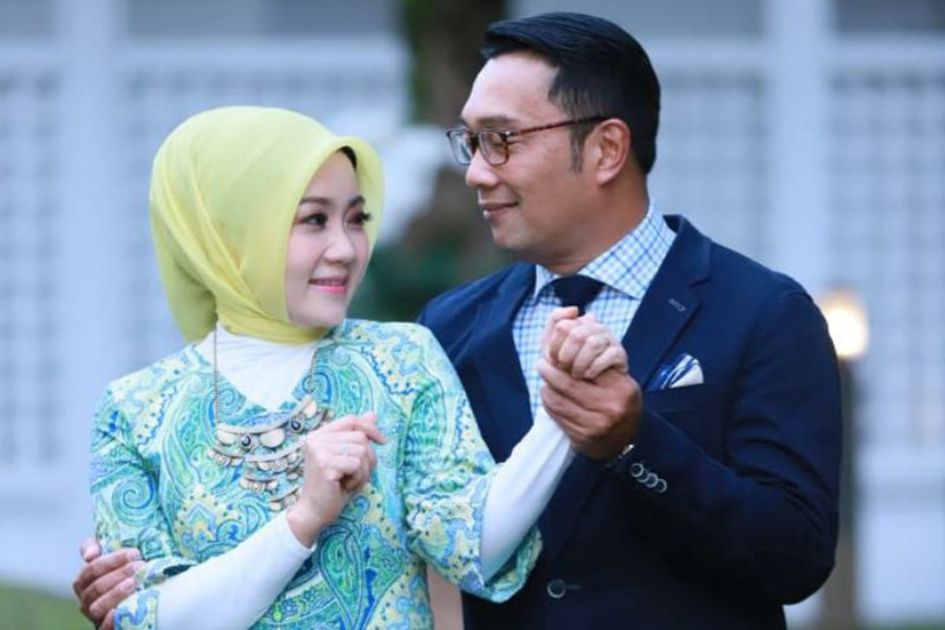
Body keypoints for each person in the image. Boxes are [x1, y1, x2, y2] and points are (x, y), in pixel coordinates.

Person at [77, 105, 627, 629]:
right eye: (313, 220)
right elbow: (149, 617)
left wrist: (564, 409)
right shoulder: (135, 410)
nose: (345, 249)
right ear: (227, 233)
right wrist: (304, 518)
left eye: (357, 219)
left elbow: (472, 546)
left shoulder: (401, 359)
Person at [417, 11, 842, 629]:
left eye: (502, 139)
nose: (477, 171)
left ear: (606, 150)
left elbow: (797, 558)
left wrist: (635, 442)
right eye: (471, 142)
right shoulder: (450, 326)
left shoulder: (764, 312)